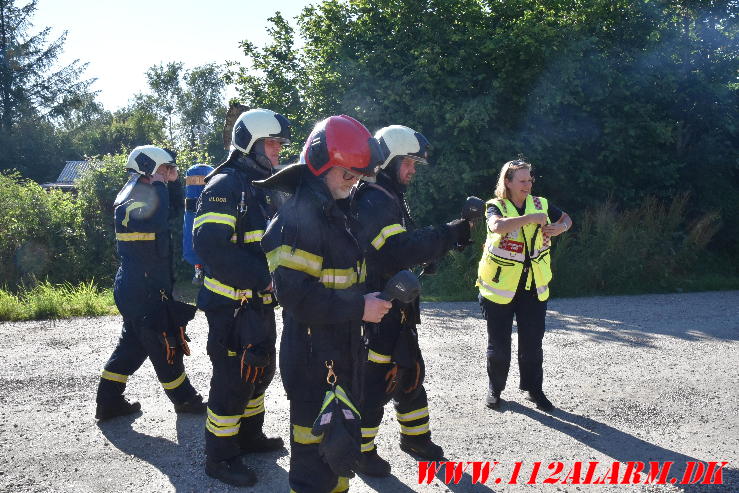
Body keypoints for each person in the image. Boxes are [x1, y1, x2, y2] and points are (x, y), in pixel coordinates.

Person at [258, 115, 392, 493]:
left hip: (339, 348)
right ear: (321, 166)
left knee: (338, 452)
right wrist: (358, 308)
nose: (352, 186)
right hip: (313, 357)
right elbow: (296, 297)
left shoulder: (335, 212)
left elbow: (344, 277)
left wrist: (373, 296)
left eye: (357, 179)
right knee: (314, 461)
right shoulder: (297, 220)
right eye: (347, 176)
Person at [350, 125, 472, 476]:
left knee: (410, 371)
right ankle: (361, 450)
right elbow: (396, 250)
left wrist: (431, 253)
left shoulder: (389, 196)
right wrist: (448, 233)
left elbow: (401, 247)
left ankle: (415, 438)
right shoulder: (373, 198)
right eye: (408, 162)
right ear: (388, 161)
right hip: (378, 309)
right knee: (375, 380)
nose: (413, 170)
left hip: (397, 308)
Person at [192, 108, 291, 487]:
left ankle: (249, 435)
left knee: (260, 371)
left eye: (280, 144)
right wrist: (262, 279)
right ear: (249, 143)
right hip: (230, 307)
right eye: (272, 143)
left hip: (258, 304)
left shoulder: (261, 187)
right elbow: (209, 246)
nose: (278, 151)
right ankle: (220, 456)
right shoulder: (225, 185)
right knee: (232, 381)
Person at [95, 145, 206, 421]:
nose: (170, 174)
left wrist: (173, 182)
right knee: (165, 344)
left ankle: (108, 403)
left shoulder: (148, 192)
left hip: (140, 286)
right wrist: (160, 185)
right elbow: (156, 221)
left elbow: (175, 214)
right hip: (141, 289)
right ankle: (185, 400)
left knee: (132, 346)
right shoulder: (134, 197)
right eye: (165, 169)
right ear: (149, 169)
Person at [477, 158, 572, 412]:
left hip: (533, 286)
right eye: (522, 180)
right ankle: (495, 390)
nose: (528, 185)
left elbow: (567, 218)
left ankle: (534, 390)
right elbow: (496, 227)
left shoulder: (541, 203)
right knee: (499, 345)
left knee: (532, 343)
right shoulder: (495, 206)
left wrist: (559, 227)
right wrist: (532, 218)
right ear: (507, 182)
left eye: (530, 179)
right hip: (499, 287)